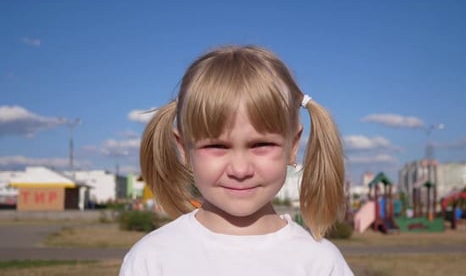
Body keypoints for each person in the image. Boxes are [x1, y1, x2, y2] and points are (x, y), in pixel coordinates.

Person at [119, 45, 354, 276]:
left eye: (261, 145)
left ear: (293, 146)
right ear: (184, 150)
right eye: (216, 146)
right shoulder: (151, 259)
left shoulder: (320, 263)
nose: (240, 170)